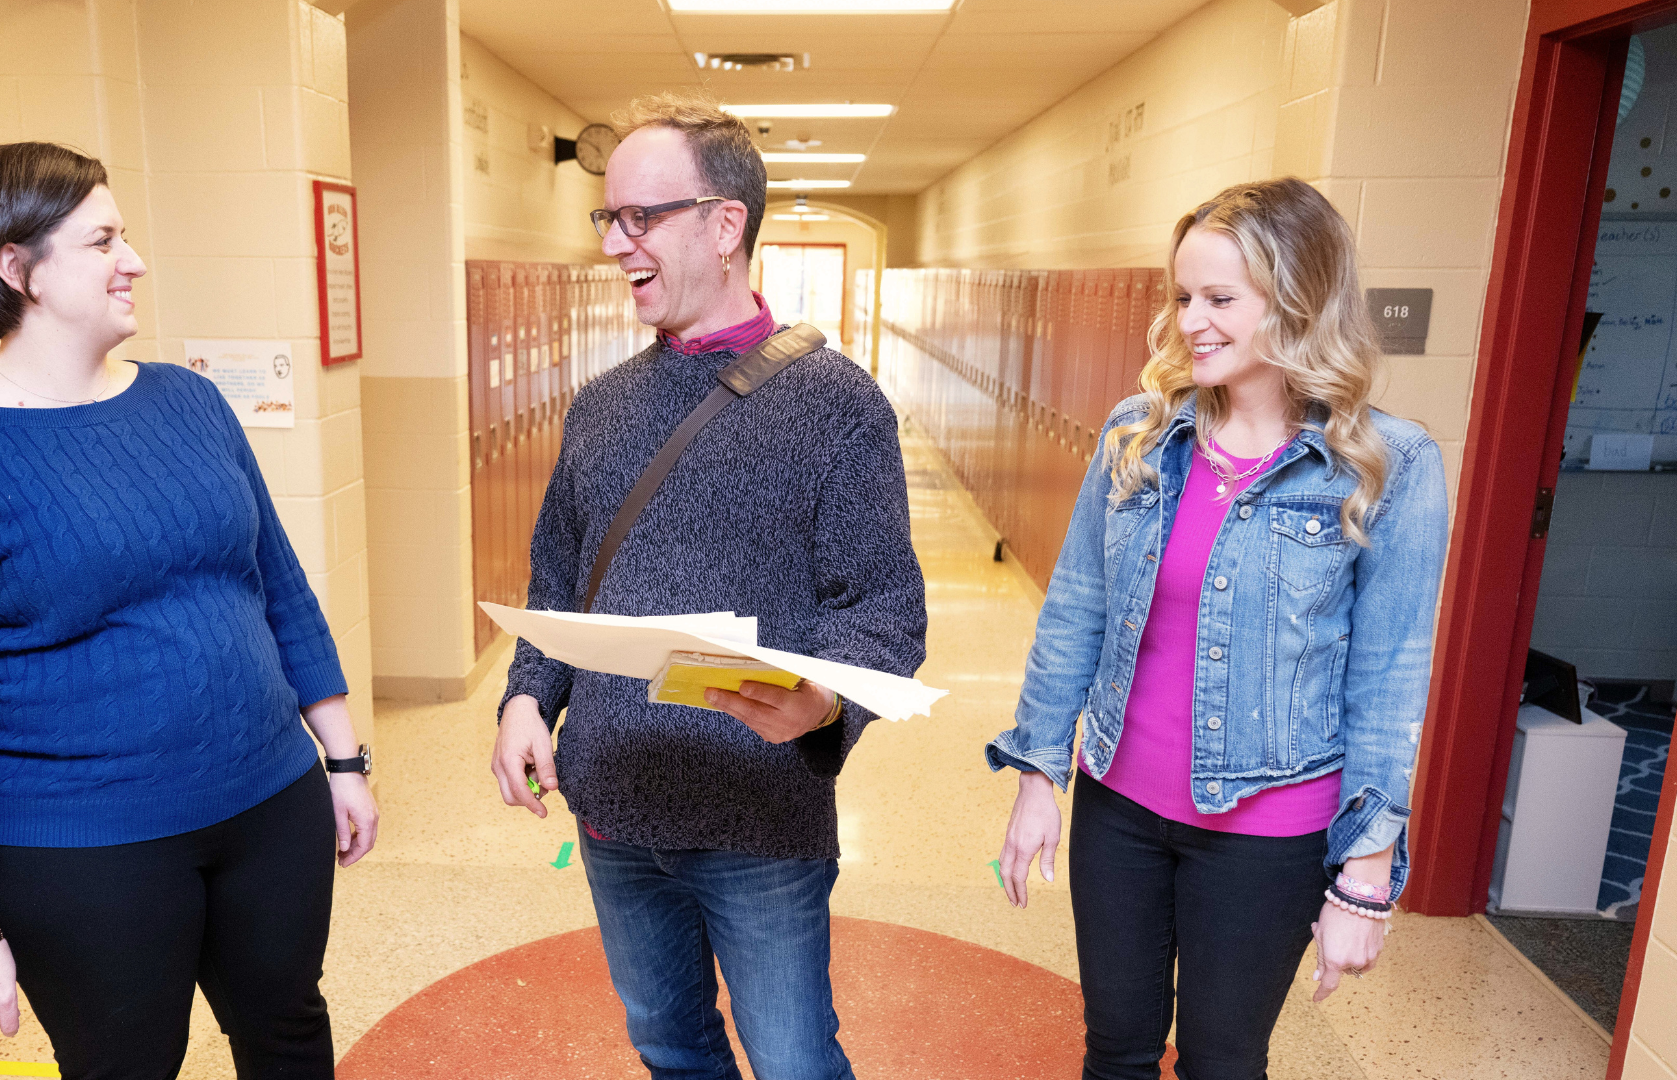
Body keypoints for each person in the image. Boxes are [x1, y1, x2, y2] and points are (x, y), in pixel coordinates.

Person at [0, 142, 378, 1077]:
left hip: (270, 801)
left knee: (290, 1029)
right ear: (15, 269)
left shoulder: (188, 402)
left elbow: (281, 592)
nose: (133, 260)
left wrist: (343, 758)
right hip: (82, 844)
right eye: (102, 239)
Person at [488, 92, 926, 1080]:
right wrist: (526, 697)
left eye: (641, 217)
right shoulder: (599, 408)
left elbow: (884, 611)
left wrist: (821, 704)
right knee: (670, 1044)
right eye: (608, 218)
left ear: (726, 225)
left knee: (793, 1060)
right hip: (613, 802)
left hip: (757, 815)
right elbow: (559, 577)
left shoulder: (840, 409)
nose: (615, 244)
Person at [988, 178, 1449, 1079]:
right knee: (1114, 1050)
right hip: (1118, 805)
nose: (1191, 320)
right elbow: (1076, 608)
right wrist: (1038, 770)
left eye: (1220, 299)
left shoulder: (1389, 465)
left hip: (1268, 826)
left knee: (1221, 1061)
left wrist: (1366, 878)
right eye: (1183, 296)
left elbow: (1390, 679)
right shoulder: (1139, 434)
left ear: (1299, 301)